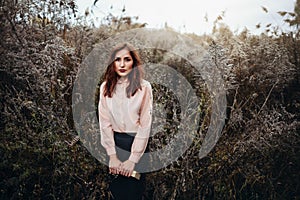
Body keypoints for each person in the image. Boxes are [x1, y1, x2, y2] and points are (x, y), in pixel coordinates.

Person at [98, 43, 153, 200]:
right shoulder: (105, 88)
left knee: (133, 193)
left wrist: (133, 159)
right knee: (116, 192)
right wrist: (112, 156)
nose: (122, 64)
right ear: (112, 63)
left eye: (127, 59)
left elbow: (145, 124)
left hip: (137, 143)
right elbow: (105, 122)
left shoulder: (144, 87)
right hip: (114, 143)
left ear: (134, 63)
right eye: (118, 60)